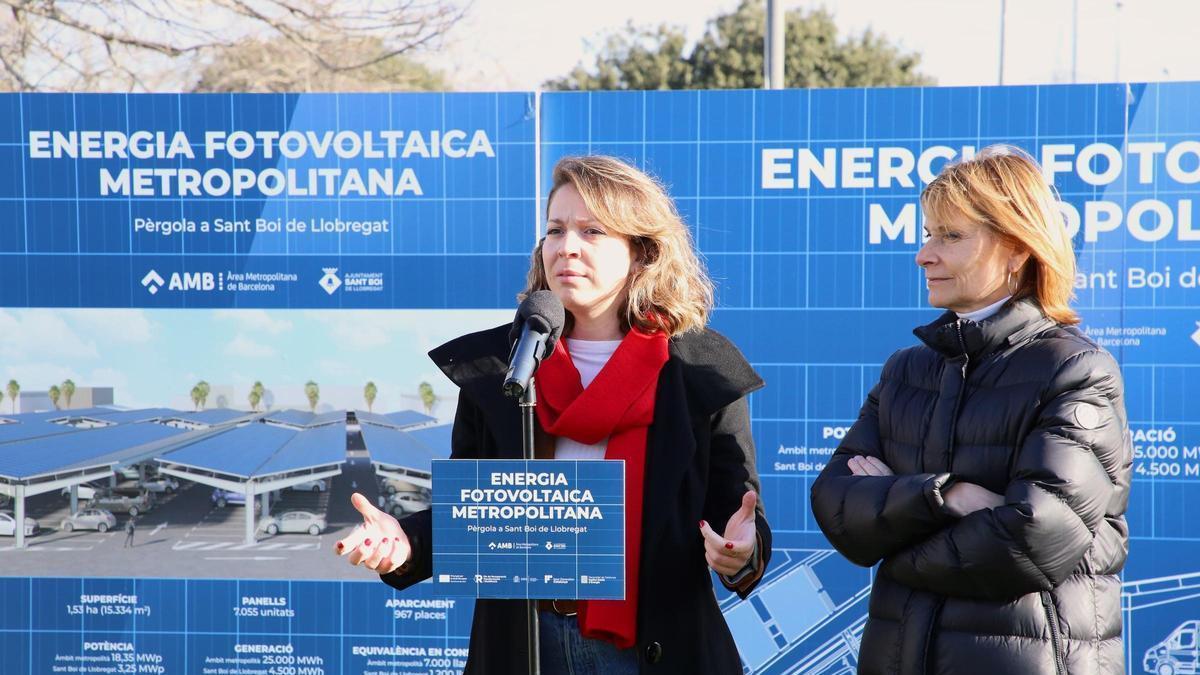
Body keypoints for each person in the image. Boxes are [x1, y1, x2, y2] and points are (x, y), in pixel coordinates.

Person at [338, 155, 771, 674]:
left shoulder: (701, 371)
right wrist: (403, 543)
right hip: (525, 644)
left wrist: (739, 552)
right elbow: (476, 514)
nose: (566, 247)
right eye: (555, 230)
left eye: (592, 231)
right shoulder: (500, 367)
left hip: (651, 648)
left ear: (642, 251)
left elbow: (736, 516)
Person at [810, 146, 1132, 675]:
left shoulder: (1074, 370)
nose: (924, 255)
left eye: (951, 236)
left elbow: (1032, 540)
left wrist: (895, 537)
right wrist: (948, 496)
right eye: (927, 234)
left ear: (1016, 249)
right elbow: (838, 507)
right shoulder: (907, 370)